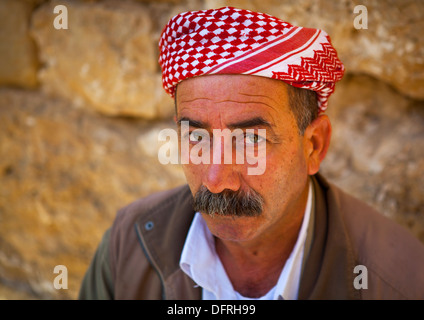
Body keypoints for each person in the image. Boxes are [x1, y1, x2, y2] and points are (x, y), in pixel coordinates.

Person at [78, 6, 424, 300]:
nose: (215, 181)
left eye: (250, 140)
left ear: (314, 145)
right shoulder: (129, 245)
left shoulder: (396, 282)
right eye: (196, 137)